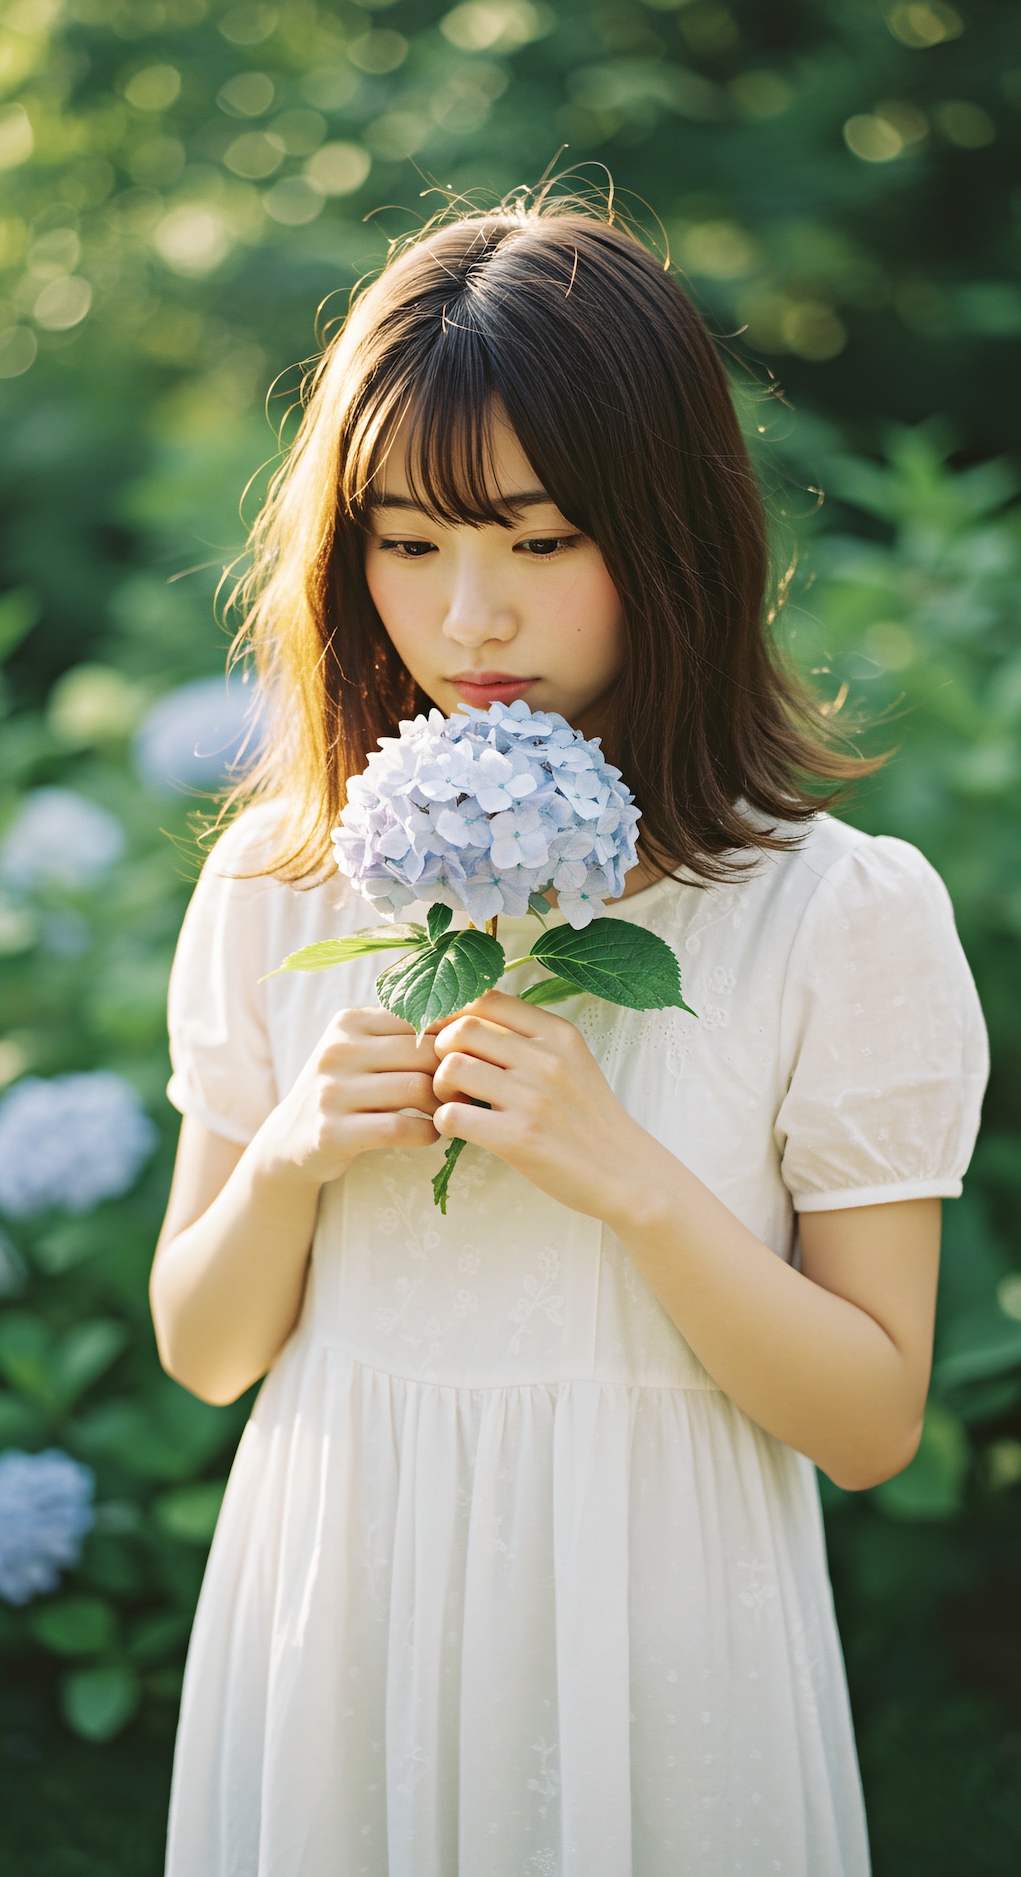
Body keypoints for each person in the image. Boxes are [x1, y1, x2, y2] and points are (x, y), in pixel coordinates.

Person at [150, 198, 988, 1877]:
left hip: (658, 1630)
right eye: (409, 543)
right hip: (340, 1611)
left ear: (672, 532)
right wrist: (293, 1159)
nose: (470, 618)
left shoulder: (835, 911)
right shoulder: (282, 881)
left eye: (539, 544)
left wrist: (633, 1181)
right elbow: (205, 1347)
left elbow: (871, 1422)